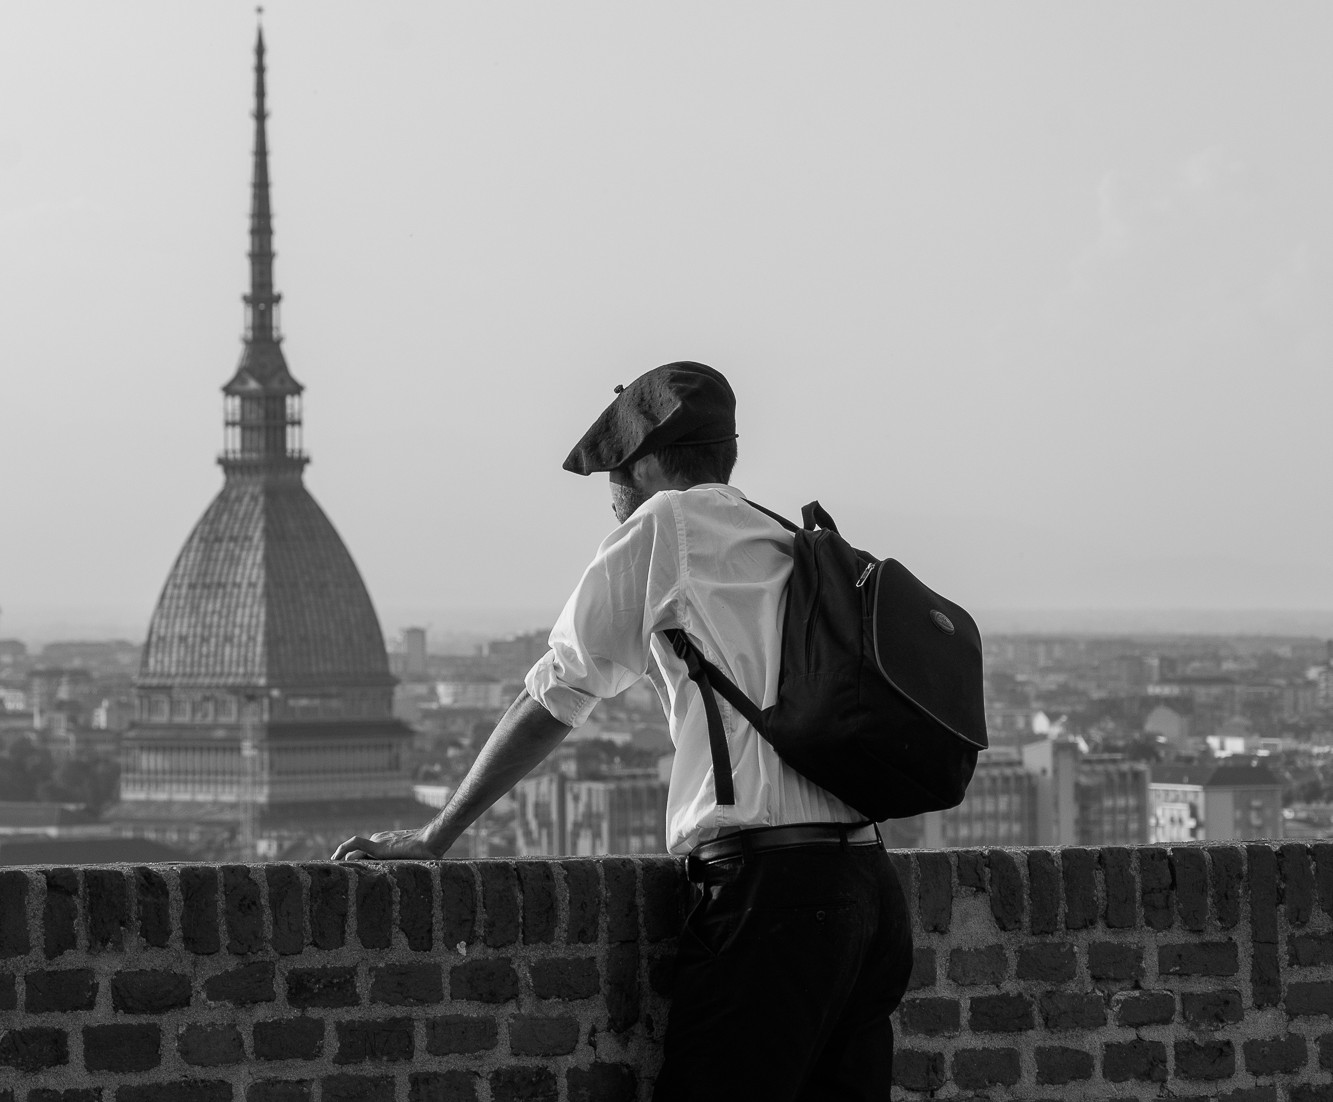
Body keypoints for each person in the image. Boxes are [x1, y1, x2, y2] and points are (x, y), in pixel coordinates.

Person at [333, 361, 913, 1100]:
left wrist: (438, 835)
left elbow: (558, 692)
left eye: (610, 475)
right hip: (868, 884)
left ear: (642, 467)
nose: (609, 501)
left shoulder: (665, 525)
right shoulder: (783, 536)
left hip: (775, 896)